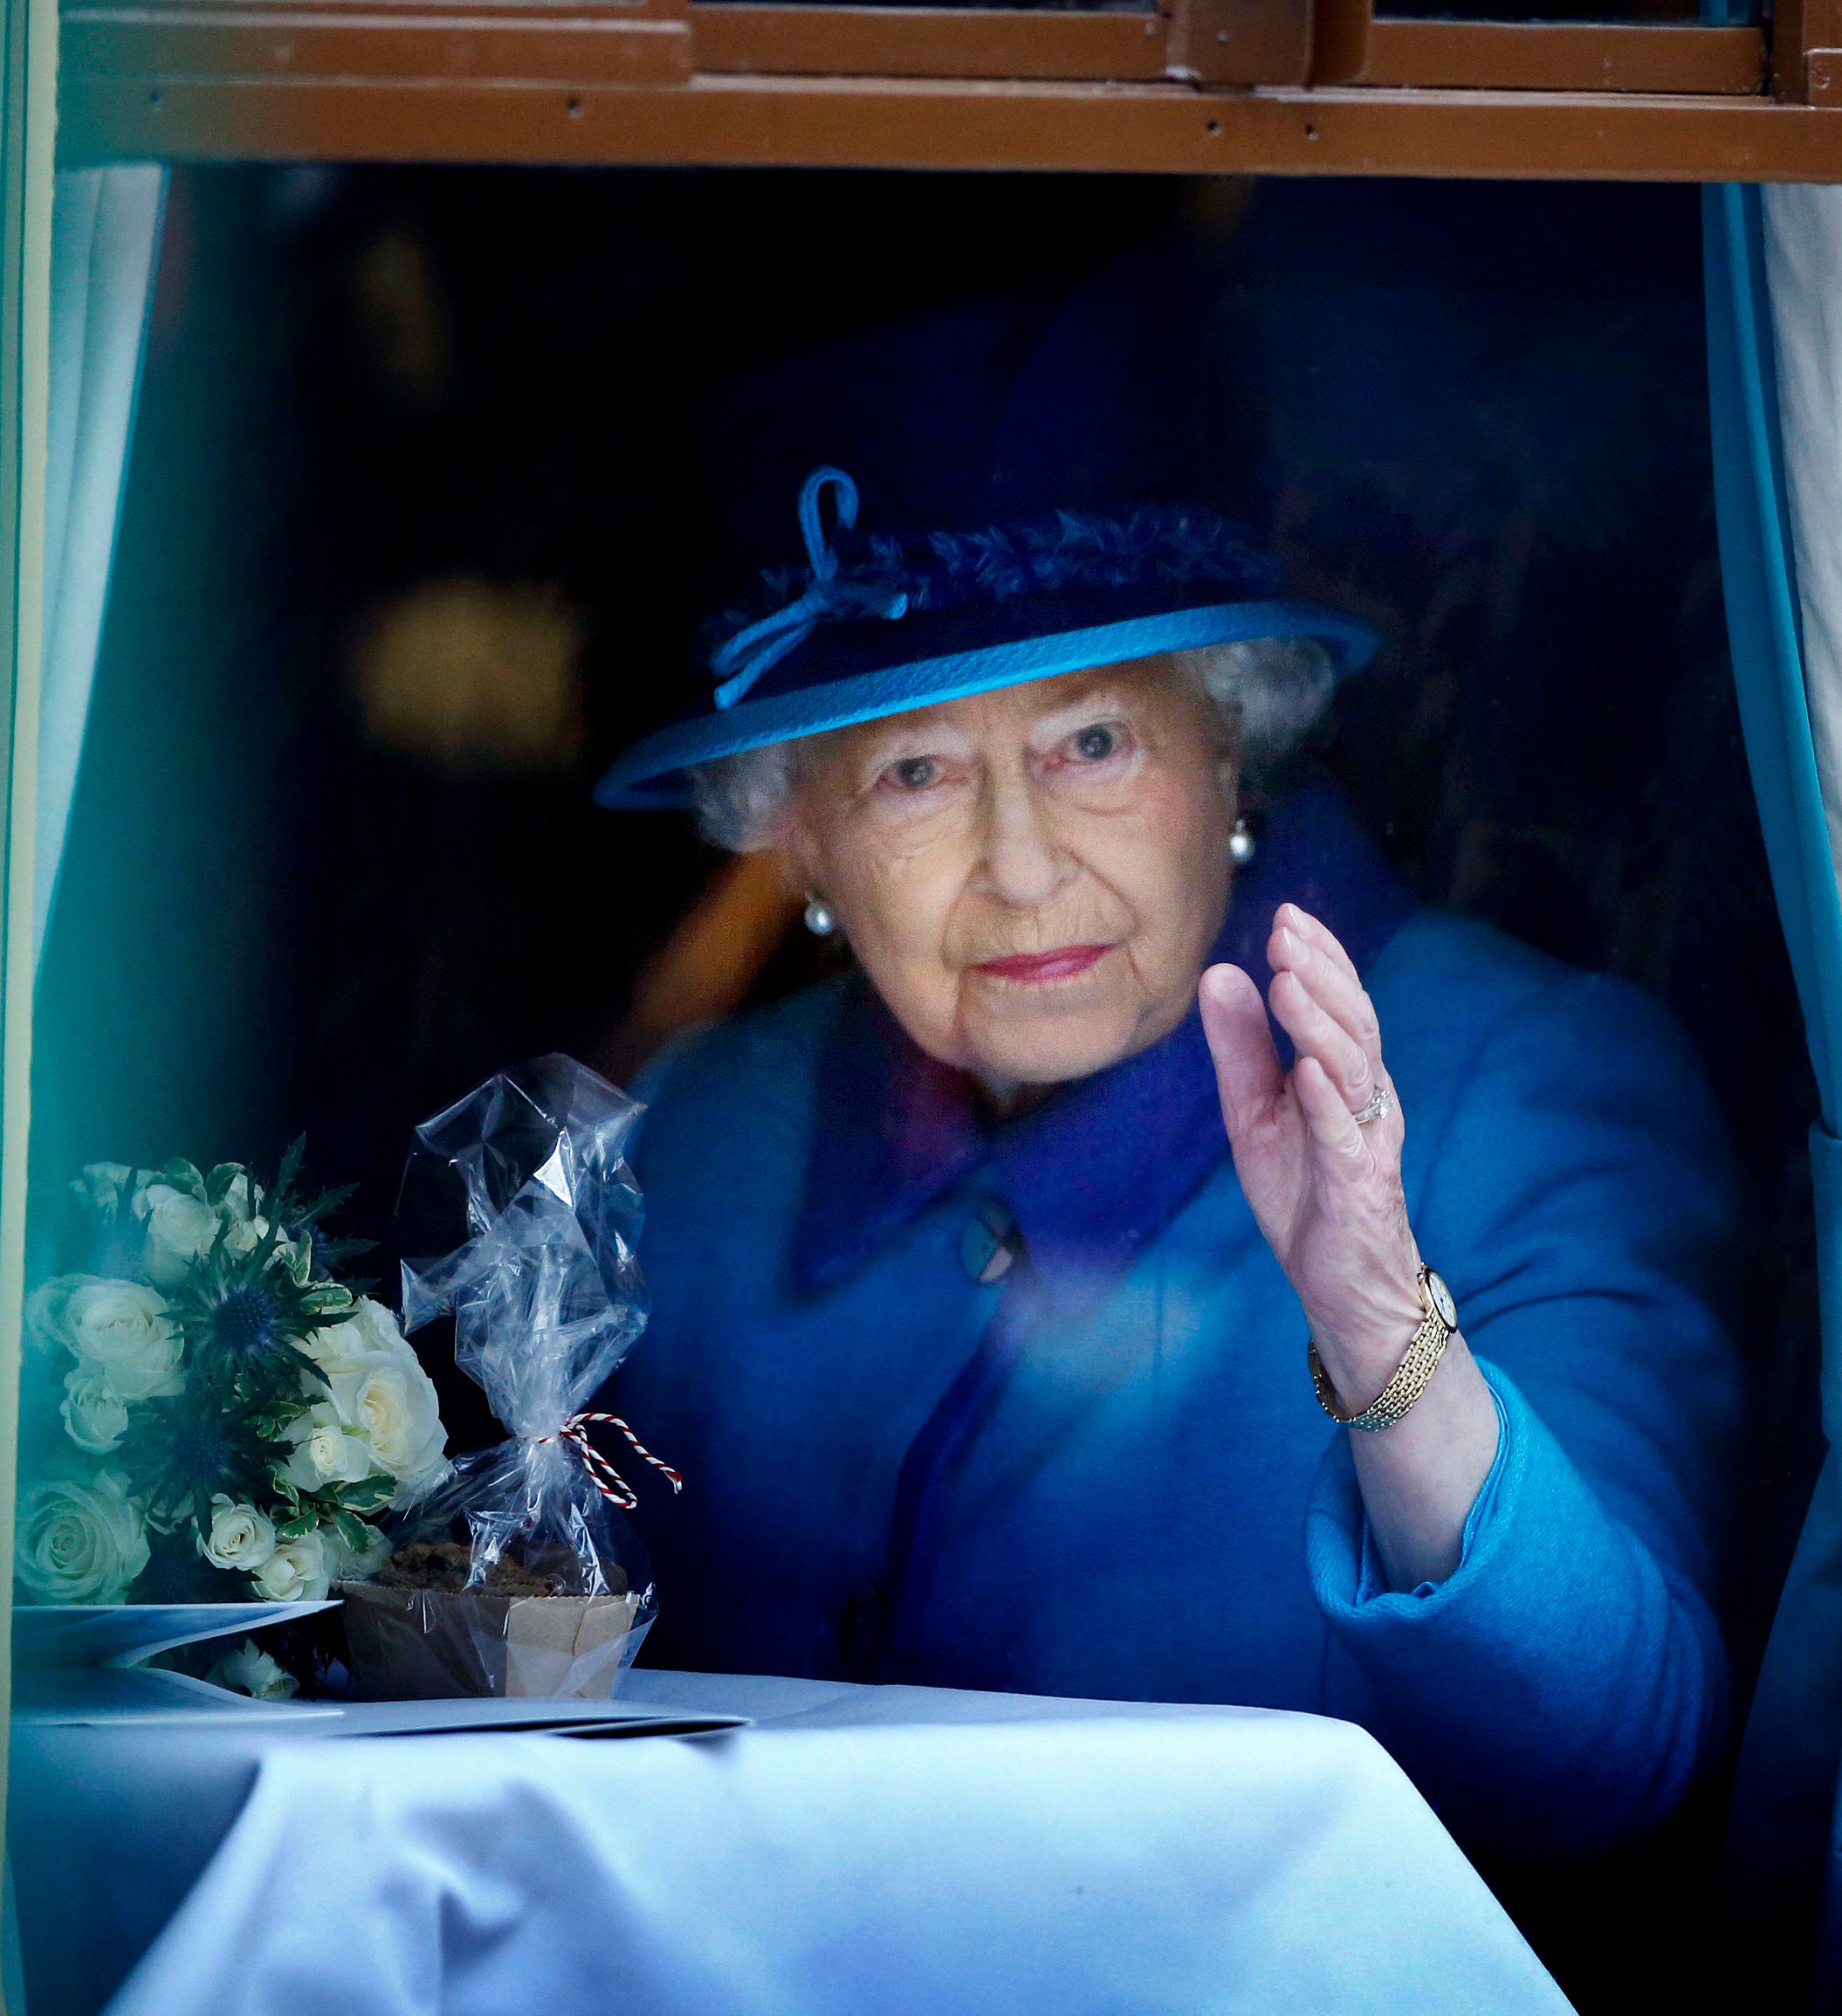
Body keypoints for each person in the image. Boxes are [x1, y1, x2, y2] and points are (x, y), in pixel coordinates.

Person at [595, 463, 1742, 1861]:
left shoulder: (1527, 1081)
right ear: (806, 845)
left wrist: (1384, 1335)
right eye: (914, 771)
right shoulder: (696, 1132)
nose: (1020, 868)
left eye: (1092, 745)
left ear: (1230, 755)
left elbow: (1620, 1766)